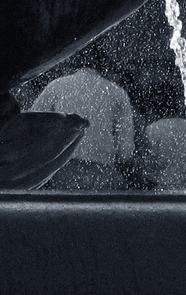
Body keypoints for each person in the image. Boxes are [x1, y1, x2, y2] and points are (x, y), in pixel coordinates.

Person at [27, 46, 135, 189]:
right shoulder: (117, 92)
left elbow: (32, 126)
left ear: (72, 62)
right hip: (102, 173)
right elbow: (125, 150)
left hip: (61, 170)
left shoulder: (56, 86)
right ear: (104, 66)